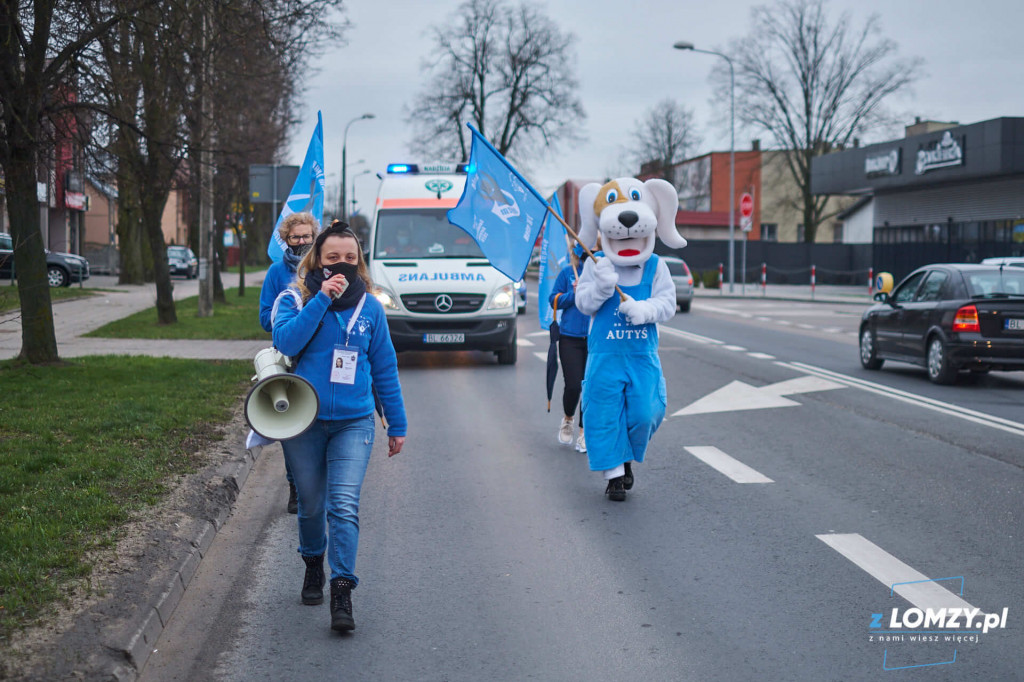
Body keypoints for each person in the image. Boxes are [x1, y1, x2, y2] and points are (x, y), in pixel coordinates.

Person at [272, 220, 407, 633]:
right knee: (311, 506)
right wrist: (321, 302)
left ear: (360, 262)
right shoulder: (295, 297)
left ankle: (342, 589)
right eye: (334, 258)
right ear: (317, 259)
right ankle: (313, 564)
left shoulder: (371, 308)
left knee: (343, 505)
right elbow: (286, 343)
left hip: (355, 421)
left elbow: (384, 366)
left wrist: (396, 423)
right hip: (304, 421)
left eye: (351, 258)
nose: (343, 266)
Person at [257, 212, 318, 514]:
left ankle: (319, 483)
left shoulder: (324, 267)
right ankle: (295, 487)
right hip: (289, 358)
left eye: (307, 236)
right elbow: (264, 318)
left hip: (318, 355)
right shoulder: (275, 273)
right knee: (291, 429)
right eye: (296, 237)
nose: (302, 241)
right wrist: (288, 311)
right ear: (286, 239)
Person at [549, 242, 589, 453]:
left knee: (589, 386)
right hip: (570, 337)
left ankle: (583, 433)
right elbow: (553, 299)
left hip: (595, 339)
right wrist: (573, 294)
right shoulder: (567, 273)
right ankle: (568, 418)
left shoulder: (601, 273)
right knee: (573, 385)